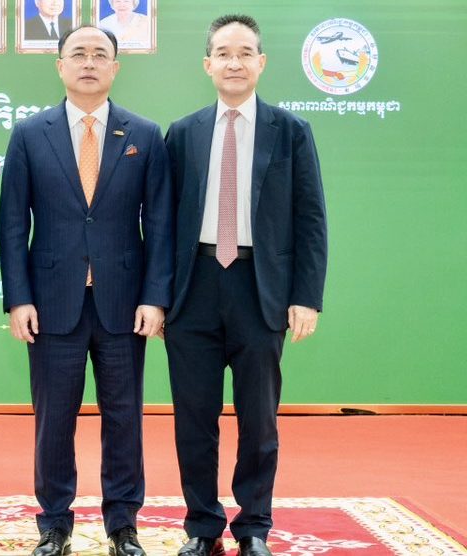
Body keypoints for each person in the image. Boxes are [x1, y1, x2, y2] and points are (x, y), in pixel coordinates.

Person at [0, 25, 172, 556]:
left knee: (124, 420)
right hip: (52, 304)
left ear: (115, 68)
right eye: (79, 54)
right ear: (60, 65)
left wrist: (155, 296)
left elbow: (160, 223)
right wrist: (18, 298)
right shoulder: (30, 133)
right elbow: (12, 224)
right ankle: (54, 525)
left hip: (124, 304)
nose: (89, 62)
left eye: (101, 55)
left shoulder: (145, 133)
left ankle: (123, 525)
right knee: (54, 422)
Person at [163, 14, 328, 556]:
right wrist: (160, 297)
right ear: (207, 63)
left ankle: (254, 526)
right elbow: (161, 223)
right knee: (194, 420)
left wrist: (306, 296)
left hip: (262, 289)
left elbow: (311, 219)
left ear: (261, 62)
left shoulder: (291, 130)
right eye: (223, 53)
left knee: (259, 421)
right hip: (194, 289)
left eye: (244, 53)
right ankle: (202, 527)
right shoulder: (183, 133)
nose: (233, 63)